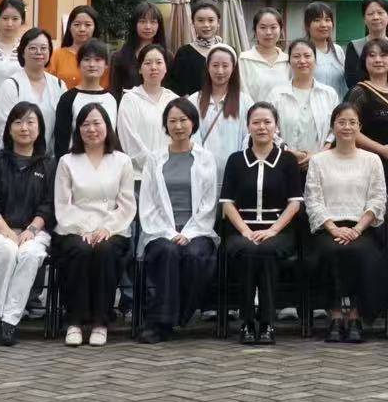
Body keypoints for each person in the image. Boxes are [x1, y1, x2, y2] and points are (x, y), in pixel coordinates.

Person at [219, 103, 306, 345]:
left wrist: (273, 230)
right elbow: (227, 203)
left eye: (267, 122)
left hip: (278, 229)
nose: (262, 127)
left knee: (265, 250)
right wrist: (245, 230)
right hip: (242, 229)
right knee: (248, 250)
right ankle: (247, 322)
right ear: (248, 126)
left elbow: (295, 203)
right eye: (256, 122)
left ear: (276, 126)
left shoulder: (287, 160)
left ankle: (267, 323)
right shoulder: (236, 160)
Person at [51, 102, 135, 348]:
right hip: (74, 227)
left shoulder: (122, 161)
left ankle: (100, 322)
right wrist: (83, 230)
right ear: (78, 129)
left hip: (113, 227)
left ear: (107, 126)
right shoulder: (67, 161)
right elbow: (62, 204)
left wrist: (106, 228)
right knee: (80, 250)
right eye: (85, 124)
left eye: (97, 123)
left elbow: (127, 204)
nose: (92, 129)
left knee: (105, 251)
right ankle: (75, 321)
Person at [0, 101, 56, 346]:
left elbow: (49, 204)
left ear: (40, 128)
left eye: (30, 122)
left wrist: (32, 229)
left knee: (30, 254)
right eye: (18, 122)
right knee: (7, 250)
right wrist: (8, 232)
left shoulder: (48, 165)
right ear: (9, 128)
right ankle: (1, 315)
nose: (24, 128)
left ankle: (4, 320)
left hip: (35, 231)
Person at [137, 97, 220, 343]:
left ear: (193, 123)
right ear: (165, 125)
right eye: (172, 121)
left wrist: (189, 233)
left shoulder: (205, 158)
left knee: (196, 256)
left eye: (183, 120)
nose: (178, 126)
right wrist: (171, 233)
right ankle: (161, 323)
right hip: (160, 231)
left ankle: (177, 315)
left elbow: (208, 203)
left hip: (198, 230)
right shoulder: (155, 159)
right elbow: (148, 203)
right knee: (168, 252)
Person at [307, 102, 388, 343]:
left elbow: (378, 199)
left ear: (359, 127)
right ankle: (334, 315)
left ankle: (355, 316)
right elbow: (313, 199)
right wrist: (333, 228)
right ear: (333, 126)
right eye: (341, 122)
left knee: (363, 253)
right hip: (328, 227)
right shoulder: (318, 161)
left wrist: (357, 229)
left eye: (352, 122)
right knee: (330, 251)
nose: (347, 127)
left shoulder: (372, 160)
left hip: (363, 227)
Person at [268, 38, 338, 166]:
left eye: (307, 56)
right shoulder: (276, 94)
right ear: (289, 61)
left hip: (321, 163)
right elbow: (270, 129)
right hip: (284, 162)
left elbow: (335, 130)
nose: (302, 61)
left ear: (315, 60)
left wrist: (319, 155)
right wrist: (289, 152)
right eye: (296, 56)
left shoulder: (329, 94)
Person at [0, 27, 62, 153]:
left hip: (48, 158)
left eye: (44, 48)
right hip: (16, 156)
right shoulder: (11, 85)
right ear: (22, 52)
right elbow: (4, 127)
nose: (39, 52)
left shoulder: (59, 85)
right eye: (32, 48)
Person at [117, 42, 177, 184]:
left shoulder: (174, 100)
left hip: (169, 175)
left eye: (159, 62)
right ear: (139, 69)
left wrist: (168, 166)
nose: (153, 67)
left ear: (166, 68)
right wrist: (154, 165)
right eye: (148, 63)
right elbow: (129, 139)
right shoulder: (130, 99)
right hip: (139, 177)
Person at [53, 38, 119, 152]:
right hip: (75, 159)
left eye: (98, 60)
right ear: (78, 64)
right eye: (87, 59)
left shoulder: (111, 99)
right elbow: (61, 140)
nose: (92, 64)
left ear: (106, 65)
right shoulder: (68, 99)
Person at [195, 44, 251, 163]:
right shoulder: (194, 100)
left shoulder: (245, 101)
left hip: (235, 169)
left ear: (233, 68)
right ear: (208, 67)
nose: (220, 71)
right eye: (215, 65)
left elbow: (249, 136)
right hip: (202, 169)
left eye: (225, 66)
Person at [168, 0, 226, 95]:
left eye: (211, 20)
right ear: (193, 23)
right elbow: (176, 89)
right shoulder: (184, 53)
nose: (206, 25)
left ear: (218, 23)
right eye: (200, 20)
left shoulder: (228, 51)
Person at [345, 0, 388, 91]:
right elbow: (351, 81)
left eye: (380, 13)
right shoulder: (355, 46)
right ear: (364, 19)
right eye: (370, 14)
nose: (376, 17)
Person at [112, 2, 168, 96]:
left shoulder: (167, 56)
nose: (148, 27)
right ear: (134, 24)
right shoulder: (121, 56)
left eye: (153, 22)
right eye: (142, 21)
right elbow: (115, 90)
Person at [237, 7, 291, 102]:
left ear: (281, 30)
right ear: (255, 30)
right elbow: (242, 94)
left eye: (273, 27)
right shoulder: (243, 60)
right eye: (263, 27)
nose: (268, 32)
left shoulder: (288, 61)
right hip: (252, 111)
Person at [301, 1, 349, 98]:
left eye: (327, 20)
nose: (323, 25)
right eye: (317, 20)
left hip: (337, 105)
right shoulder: (302, 51)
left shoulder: (338, 50)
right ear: (307, 25)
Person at [51, 4, 101, 90]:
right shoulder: (57, 55)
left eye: (88, 25)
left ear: (95, 27)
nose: (82, 29)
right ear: (69, 27)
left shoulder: (102, 57)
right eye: (77, 24)